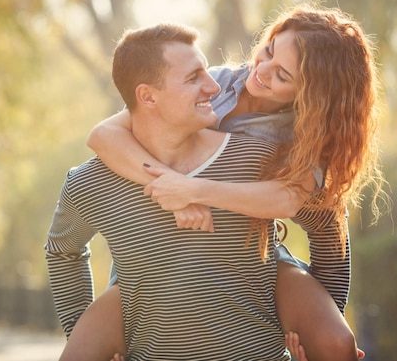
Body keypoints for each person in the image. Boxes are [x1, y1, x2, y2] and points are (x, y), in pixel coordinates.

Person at [76, 3, 387, 361]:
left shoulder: (306, 136)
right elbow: (104, 134)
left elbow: (292, 206)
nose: (261, 70)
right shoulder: (216, 82)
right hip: (159, 246)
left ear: (311, 96)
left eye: (283, 75)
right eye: (268, 51)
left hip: (249, 251)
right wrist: (171, 187)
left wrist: (192, 190)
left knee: (335, 345)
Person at [46, 23, 296, 360]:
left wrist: (315, 330)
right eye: (194, 78)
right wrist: (87, 334)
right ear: (147, 96)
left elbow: (325, 224)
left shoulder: (256, 158)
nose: (214, 87)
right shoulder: (90, 182)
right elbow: (62, 251)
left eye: (207, 72)